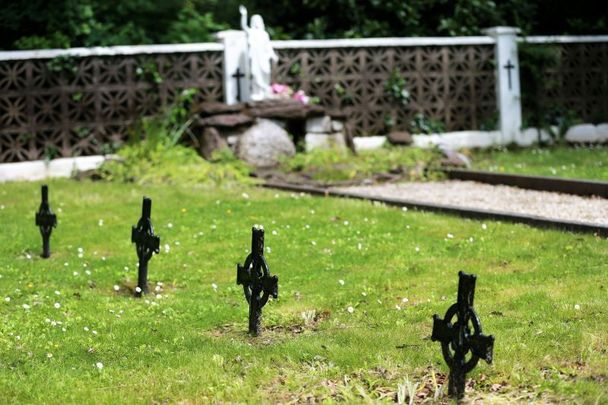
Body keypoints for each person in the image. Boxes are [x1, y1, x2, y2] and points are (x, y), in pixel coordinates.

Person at [239, 5, 278, 101]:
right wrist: (244, 15)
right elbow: (244, 27)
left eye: (258, 21)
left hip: (263, 57)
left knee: (266, 72)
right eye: (255, 21)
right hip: (255, 56)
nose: (257, 23)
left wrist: (273, 55)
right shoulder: (252, 32)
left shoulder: (264, 34)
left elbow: (268, 46)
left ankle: (265, 90)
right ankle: (257, 92)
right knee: (255, 74)